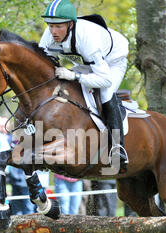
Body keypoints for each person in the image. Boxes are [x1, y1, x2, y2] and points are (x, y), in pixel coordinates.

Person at [39, 0, 129, 172]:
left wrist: (73, 75)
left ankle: (118, 148)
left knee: (105, 94)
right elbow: (43, 62)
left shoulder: (87, 39)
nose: (53, 31)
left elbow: (104, 80)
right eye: (50, 25)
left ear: (70, 24)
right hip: (87, 64)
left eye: (58, 27)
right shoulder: (49, 35)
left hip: (112, 62)